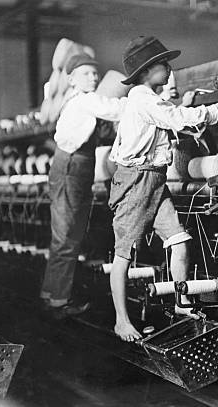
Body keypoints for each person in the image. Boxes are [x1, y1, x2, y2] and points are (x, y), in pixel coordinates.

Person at [108, 36, 218, 341]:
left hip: (154, 179)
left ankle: (181, 303)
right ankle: (120, 320)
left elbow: (173, 117)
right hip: (136, 181)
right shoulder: (142, 98)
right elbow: (177, 119)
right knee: (123, 255)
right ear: (145, 71)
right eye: (162, 65)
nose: (169, 70)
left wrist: (187, 105)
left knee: (179, 239)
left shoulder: (149, 99)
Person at [41, 53, 127, 319]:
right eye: (86, 73)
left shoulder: (77, 101)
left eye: (94, 73)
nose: (93, 77)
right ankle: (58, 303)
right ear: (71, 79)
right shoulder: (85, 100)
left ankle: (52, 293)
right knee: (67, 237)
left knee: (66, 236)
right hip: (72, 168)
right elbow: (118, 109)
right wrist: (145, 98)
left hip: (74, 167)